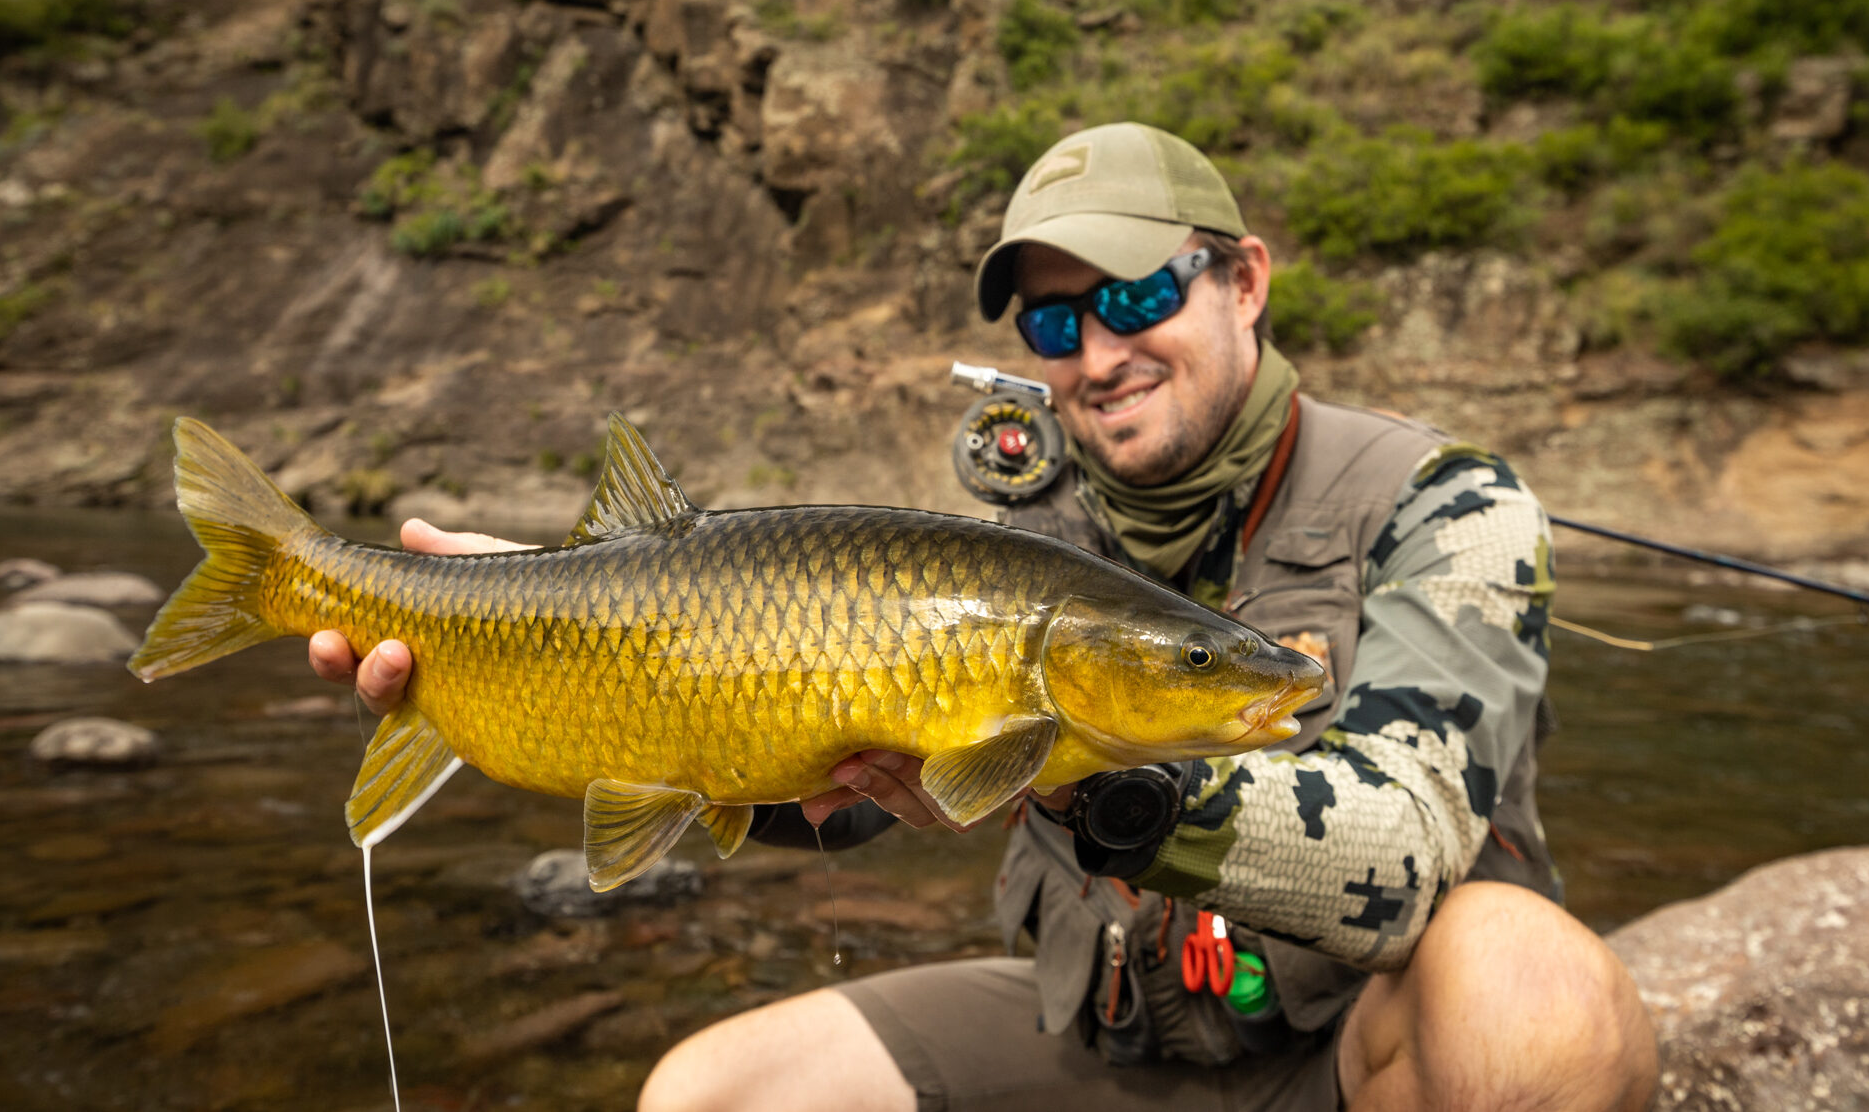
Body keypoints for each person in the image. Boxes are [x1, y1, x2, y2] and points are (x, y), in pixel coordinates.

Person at [310, 122, 1658, 1111]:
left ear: (1246, 280)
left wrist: (1116, 793)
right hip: (1104, 1043)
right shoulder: (1022, 540)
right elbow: (828, 795)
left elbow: (1411, 855)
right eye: (1055, 321)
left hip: (1352, 1056)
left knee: (1533, 987)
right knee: (707, 1091)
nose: (1097, 351)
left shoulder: (1449, 503)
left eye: (1137, 297)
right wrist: (569, 645)